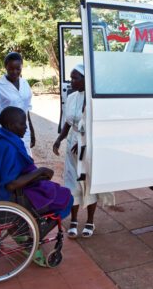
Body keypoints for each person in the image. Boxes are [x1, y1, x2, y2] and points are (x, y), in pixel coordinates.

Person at [0, 106, 73, 266]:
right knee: (66, 197)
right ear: (11, 126)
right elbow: (11, 184)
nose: (26, 128)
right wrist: (40, 172)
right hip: (13, 194)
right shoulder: (9, 147)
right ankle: (36, 235)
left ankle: (28, 232)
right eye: (23, 124)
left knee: (52, 186)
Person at [53, 64, 98, 238]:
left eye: (75, 78)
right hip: (72, 144)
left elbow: (96, 126)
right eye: (71, 78)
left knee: (88, 183)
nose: (71, 81)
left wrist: (84, 142)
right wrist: (59, 139)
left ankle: (90, 221)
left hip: (89, 145)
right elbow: (68, 122)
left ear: (86, 79)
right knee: (72, 183)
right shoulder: (71, 97)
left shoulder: (94, 99)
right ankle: (73, 220)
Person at [0, 52, 35, 155]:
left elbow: (26, 109)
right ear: (5, 67)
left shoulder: (25, 83)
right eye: (11, 69)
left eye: (18, 69)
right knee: (11, 161)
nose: (14, 72)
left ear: (21, 67)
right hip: (7, 132)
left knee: (26, 159)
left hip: (24, 130)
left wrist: (32, 131)